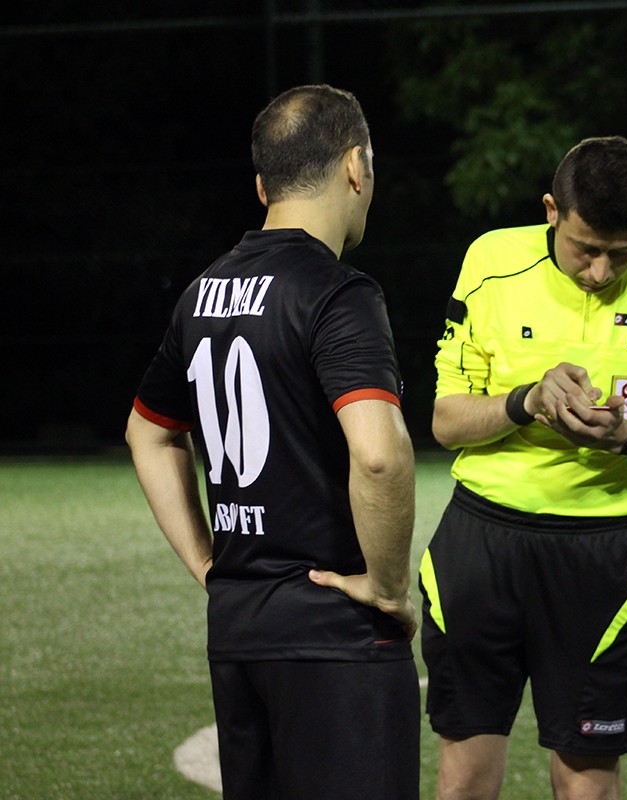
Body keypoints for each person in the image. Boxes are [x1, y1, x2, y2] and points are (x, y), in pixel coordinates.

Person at [125, 84, 420, 800]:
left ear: (263, 186)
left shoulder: (201, 293)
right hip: (334, 634)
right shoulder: (338, 293)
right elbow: (379, 456)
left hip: (239, 631)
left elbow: (148, 432)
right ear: (356, 167)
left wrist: (209, 565)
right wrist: (385, 588)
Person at [420, 135, 627, 800]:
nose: (600, 271)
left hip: (598, 554)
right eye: (585, 248)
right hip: (481, 543)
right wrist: (526, 400)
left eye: (623, 252)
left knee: (588, 783)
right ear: (551, 211)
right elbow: (445, 421)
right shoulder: (491, 261)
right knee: (465, 778)